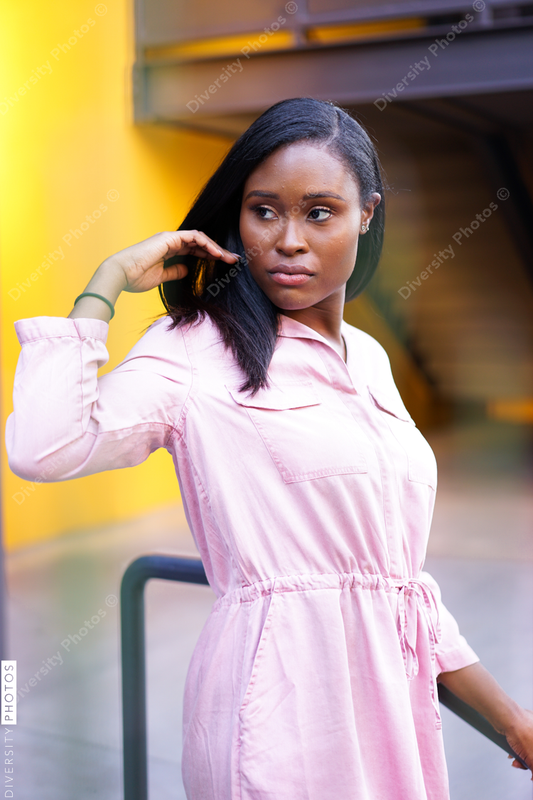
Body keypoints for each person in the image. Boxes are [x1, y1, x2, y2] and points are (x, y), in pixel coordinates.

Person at [6, 97, 533, 799]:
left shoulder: (368, 357)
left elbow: (397, 593)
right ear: (236, 217)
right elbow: (46, 447)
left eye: (319, 212)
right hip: (276, 717)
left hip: (389, 718)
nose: (288, 239)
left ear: (366, 214)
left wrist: (512, 725)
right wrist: (103, 285)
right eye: (264, 211)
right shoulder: (194, 349)